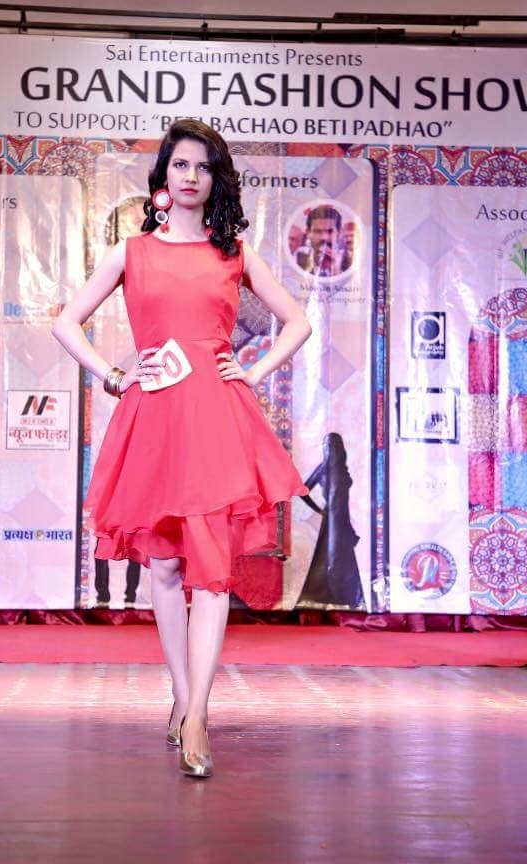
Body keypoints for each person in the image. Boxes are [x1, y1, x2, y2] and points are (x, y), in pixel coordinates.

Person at [53, 119, 311, 778]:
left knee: (212, 568)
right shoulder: (132, 252)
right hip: (155, 417)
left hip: (215, 417)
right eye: (180, 165)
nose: (191, 176)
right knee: (165, 566)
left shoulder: (235, 254)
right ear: (163, 176)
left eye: (203, 166)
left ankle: (197, 713)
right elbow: (65, 321)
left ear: (216, 178)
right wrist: (114, 376)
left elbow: (298, 321)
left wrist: (251, 371)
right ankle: (180, 693)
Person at [297, 432, 366, 609]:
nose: (331, 449)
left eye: (333, 445)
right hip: (333, 518)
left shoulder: (341, 468)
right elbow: (303, 491)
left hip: (341, 517)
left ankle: (345, 596)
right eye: (329, 445)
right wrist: (318, 510)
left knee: (338, 557)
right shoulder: (324, 468)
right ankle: (332, 596)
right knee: (332, 556)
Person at [295, 204, 342, 277]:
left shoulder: (350, 262)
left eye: (330, 231)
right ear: (308, 233)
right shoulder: (296, 258)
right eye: (317, 231)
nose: (324, 237)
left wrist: (337, 270)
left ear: (339, 233)